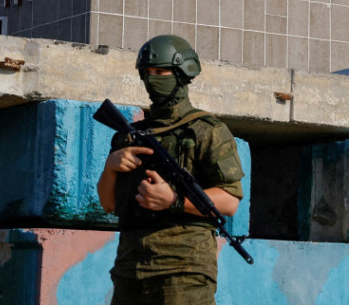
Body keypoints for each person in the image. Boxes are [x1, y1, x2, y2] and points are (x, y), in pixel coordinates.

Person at [97, 34, 244, 304]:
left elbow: (230, 200)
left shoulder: (207, 130)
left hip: (183, 270)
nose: (152, 78)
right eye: (147, 72)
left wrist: (174, 201)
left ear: (182, 73)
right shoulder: (129, 136)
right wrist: (111, 169)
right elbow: (108, 204)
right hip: (130, 268)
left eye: (161, 71)